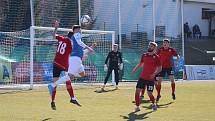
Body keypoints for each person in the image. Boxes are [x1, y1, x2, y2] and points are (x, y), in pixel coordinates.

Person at [48, 25, 94, 97]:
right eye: (79, 29)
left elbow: (80, 50)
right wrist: (89, 48)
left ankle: (69, 76)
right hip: (71, 61)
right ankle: (53, 85)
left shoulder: (69, 40)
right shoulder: (75, 37)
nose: (80, 31)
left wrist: (88, 49)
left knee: (82, 74)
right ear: (75, 31)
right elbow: (79, 43)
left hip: (71, 60)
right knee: (70, 76)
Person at [47, 21, 79, 110]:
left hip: (56, 63)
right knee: (68, 81)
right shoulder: (70, 43)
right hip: (64, 65)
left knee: (55, 84)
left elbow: (54, 35)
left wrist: (56, 27)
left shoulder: (62, 38)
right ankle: (72, 98)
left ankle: (53, 101)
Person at [132, 42, 162, 112]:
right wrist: (135, 69)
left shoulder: (156, 57)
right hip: (142, 77)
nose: (149, 47)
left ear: (154, 48)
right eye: (149, 46)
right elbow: (141, 63)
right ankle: (137, 106)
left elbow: (160, 68)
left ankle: (154, 104)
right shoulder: (144, 55)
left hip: (150, 79)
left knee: (149, 93)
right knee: (137, 91)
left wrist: (154, 74)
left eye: (151, 46)